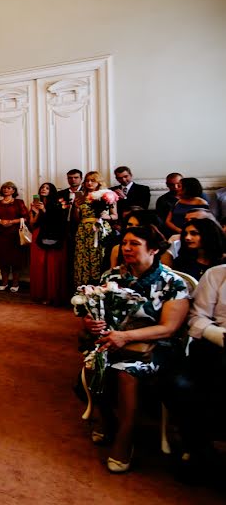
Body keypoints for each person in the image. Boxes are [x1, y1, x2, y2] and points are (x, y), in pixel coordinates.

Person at [79, 225, 190, 473]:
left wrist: (125, 336)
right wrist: (90, 321)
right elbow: (94, 310)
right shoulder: (112, 277)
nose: (126, 249)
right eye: (125, 243)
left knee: (126, 372)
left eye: (134, 244)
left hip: (154, 345)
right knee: (92, 363)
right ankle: (107, 419)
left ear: (153, 249)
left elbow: (168, 329)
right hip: (114, 339)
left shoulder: (172, 282)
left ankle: (125, 438)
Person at [168, 263, 226, 476]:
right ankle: (200, 449)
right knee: (181, 383)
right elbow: (196, 317)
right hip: (217, 344)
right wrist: (218, 336)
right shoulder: (217, 274)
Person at [73, 171, 116, 287]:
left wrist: (106, 216)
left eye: (92, 180)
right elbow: (77, 219)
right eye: (87, 181)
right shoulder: (81, 196)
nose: (89, 183)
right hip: (84, 230)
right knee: (83, 258)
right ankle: (83, 286)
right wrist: (76, 208)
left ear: (98, 182)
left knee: (99, 256)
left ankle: (99, 285)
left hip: (100, 229)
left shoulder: (106, 195)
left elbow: (115, 215)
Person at [28, 182, 68, 305]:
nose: (44, 189)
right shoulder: (36, 203)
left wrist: (44, 210)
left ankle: (52, 295)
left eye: (47, 188)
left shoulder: (57, 203)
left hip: (53, 236)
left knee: (52, 266)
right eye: (42, 188)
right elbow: (32, 224)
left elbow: (58, 221)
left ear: (52, 191)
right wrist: (36, 212)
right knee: (39, 265)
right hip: (38, 235)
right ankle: (41, 294)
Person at [0, 181, 29, 292]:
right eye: (4, 188)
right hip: (1, 236)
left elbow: (26, 218)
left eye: (9, 188)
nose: (6, 190)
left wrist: (12, 221)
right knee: (3, 261)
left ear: (14, 190)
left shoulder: (19, 202)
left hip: (15, 235)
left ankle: (15, 284)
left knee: (16, 260)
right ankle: (4, 282)